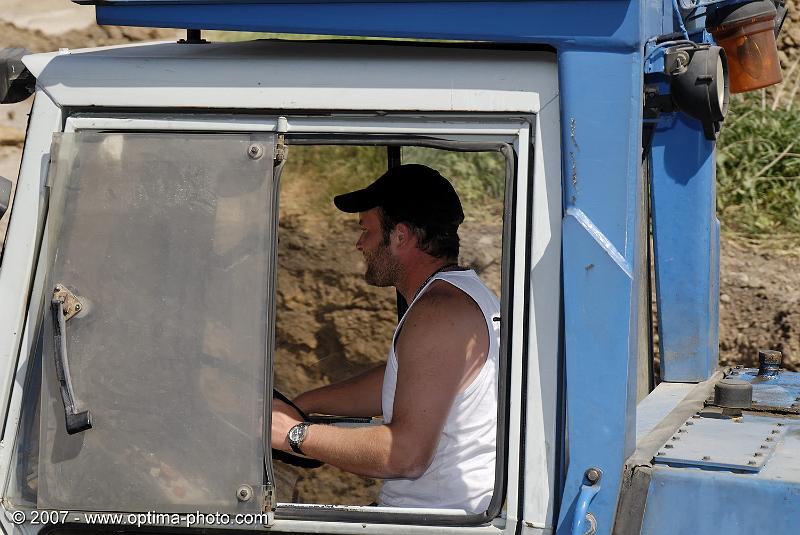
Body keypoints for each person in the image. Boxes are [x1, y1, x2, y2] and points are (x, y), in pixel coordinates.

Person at [271, 164, 500, 513]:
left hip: (432, 522)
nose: (359, 244)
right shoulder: (456, 298)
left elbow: (405, 455)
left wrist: (295, 434)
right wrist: (305, 403)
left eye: (366, 230)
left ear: (401, 236)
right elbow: (406, 382)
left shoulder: (439, 312)